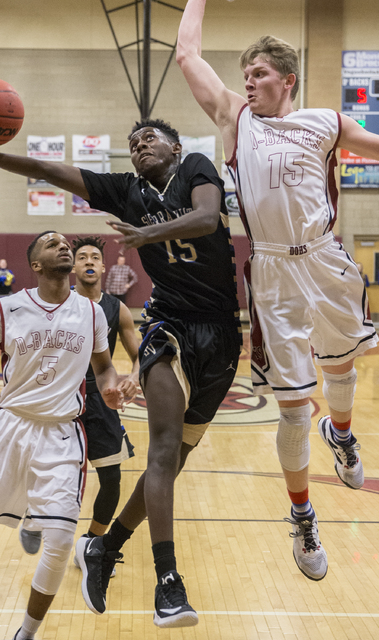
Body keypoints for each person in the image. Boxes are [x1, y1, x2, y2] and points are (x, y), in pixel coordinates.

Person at [0, 111, 242, 628]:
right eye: (132, 143)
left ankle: (105, 548)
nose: (139, 146)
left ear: (175, 148)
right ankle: (168, 582)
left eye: (149, 138)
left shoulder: (196, 167)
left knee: (173, 464)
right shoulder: (124, 191)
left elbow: (203, 218)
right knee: (163, 449)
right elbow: (46, 168)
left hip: (221, 333)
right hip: (170, 323)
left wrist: (145, 237)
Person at [176, 0, 379, 582]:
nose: (249, 81)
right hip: (272, 272)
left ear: (287, 79)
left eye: (260, 73)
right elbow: (188, 52)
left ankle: (341, 435)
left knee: (343, 372)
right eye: (246, 74)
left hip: (327, 259)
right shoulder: (236, 119)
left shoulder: (326, 122)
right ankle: (303, 514)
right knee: (292, 408)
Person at [0, 230, 126, 640]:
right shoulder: (9, 308)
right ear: (36, 264)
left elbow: (104, 367)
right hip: (10, 427)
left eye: (66, 244)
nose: (63, 246)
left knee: (59, 540)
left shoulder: (92, 312)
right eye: (51, 243)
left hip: (60, 434)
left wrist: (112, 387)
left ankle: (27, 633)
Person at [19, 234, 139, 563]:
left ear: (103, 266)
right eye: (81, 256)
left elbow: (142, 353)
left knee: (112, 479)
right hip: (60, 395)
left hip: (101, 397)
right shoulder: (55, 303)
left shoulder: (117, 308)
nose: (87, 261)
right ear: (72, 266)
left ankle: (92, 543)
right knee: (53, 473)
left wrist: (135, 375)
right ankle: (33, 513)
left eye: (93, 257)